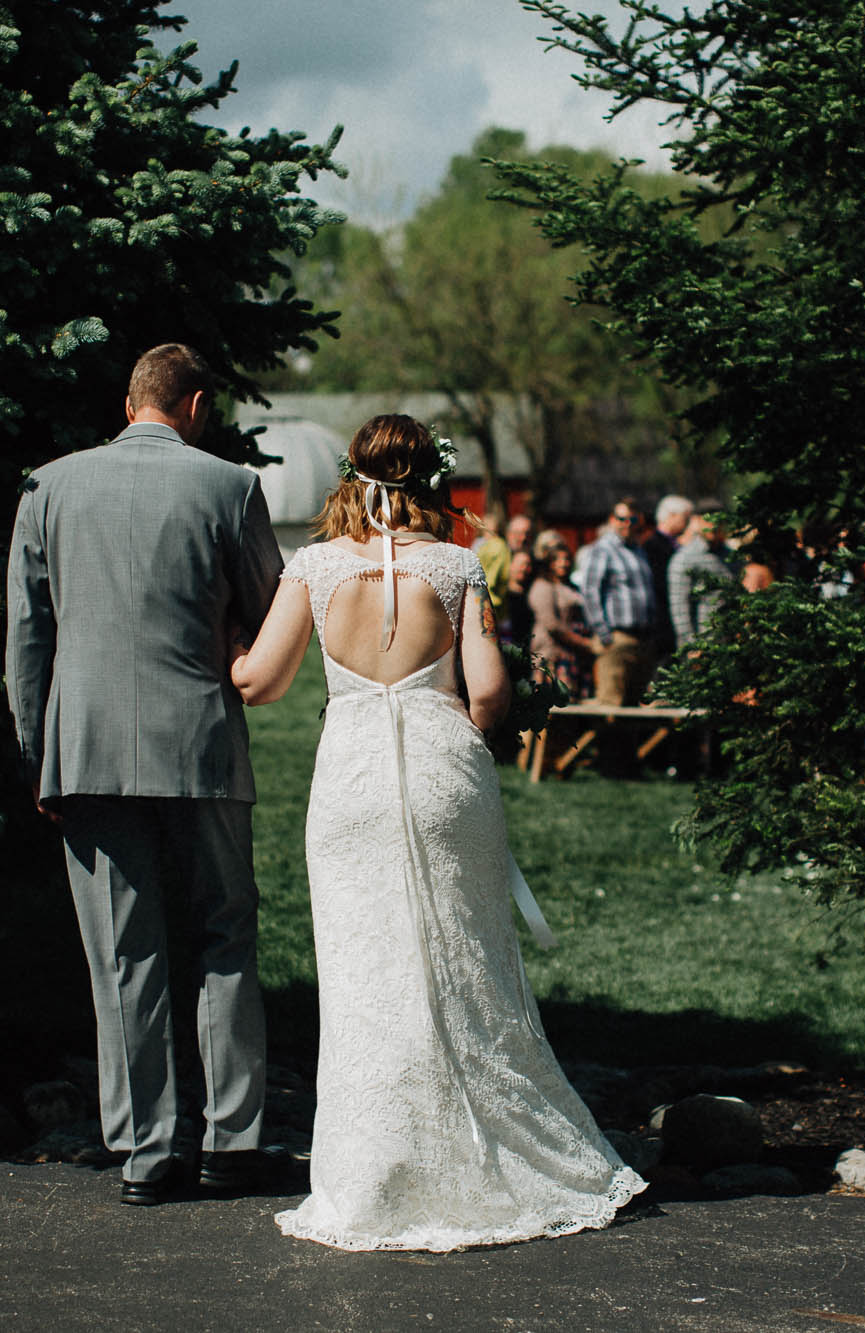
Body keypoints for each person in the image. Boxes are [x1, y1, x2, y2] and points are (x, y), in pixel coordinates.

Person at [231, 414, 645, 1252]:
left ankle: (373, 1174)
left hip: (349, 776)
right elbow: (488, 693)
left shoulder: (310, 567)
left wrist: (221, 643)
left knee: (363, 970)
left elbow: (260, 682)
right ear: (431, 481)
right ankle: (494, 1153)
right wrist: (462, 703)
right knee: (463, 956)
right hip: (440, 768)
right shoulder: (456, 565)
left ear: (349, 477)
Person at [5, 343, 282, 1208]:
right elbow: (272, 612)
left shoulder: (47, 487)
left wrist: (38, 755)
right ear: (195, 405)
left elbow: (26, 639)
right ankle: (232, 1139)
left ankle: (146, 1150)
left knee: (124, 953)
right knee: (224, 936)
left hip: (86, 750)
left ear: (131, 405)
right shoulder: (228, 487)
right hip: (198, 743)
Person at [573, 497, 659, 704]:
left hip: (642, 641)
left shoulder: (639, 551)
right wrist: (604, 634)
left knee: (635, 710)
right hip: (616, 639)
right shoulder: (601, 550)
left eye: (632, 520)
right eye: (622, 519)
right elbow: (590, 592)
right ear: (612, 520)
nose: (627, 524)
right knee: (610, 708)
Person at [527, 531, 593, 696]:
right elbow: (552, 625)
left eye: (567, 559)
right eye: (557, 560)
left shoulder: (571, 586)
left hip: (573, 654)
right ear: (549, 563)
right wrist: (585, 643)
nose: (563, 564)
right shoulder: (543, 586)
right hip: (551, 654)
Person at [667, 510, 735, 647]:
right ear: (697, 521)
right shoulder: (684, 558)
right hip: (701, 645)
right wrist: (692, 646)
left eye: (718, 522)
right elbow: (679, 608)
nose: (713, 526)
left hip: (729, 643)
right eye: (708, 521)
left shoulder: (730, 556)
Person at [642, 495, 693, 655]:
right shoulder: (653, 546)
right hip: (663, 622)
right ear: (671, 516)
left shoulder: (676, 544)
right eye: (684, 518)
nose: (687, 523)